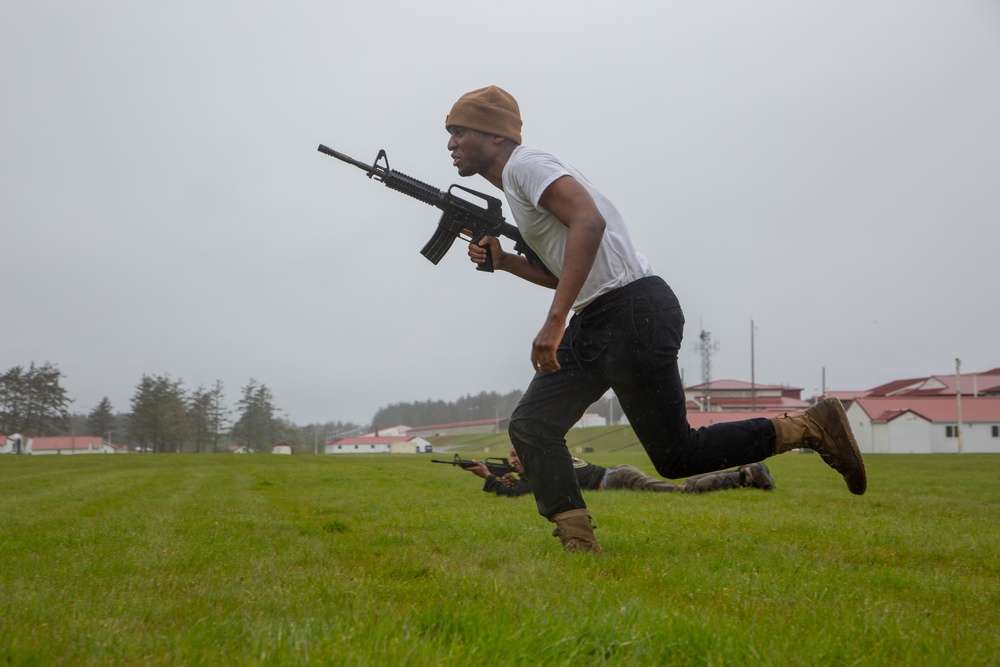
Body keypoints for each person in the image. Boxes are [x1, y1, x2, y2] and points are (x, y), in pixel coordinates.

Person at [445, 85, 866, 553]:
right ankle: (579, 545)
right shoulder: (519, 185)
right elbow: (567, 270)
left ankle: (810, 427)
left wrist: (555, 320)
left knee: (676, 455)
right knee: (532, 424)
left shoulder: (527, 165)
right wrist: (505, 262)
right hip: (599, 315)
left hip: (630, 311)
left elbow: (589, 221)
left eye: (458, 132)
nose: (450, 144)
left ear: (494, 135)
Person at [465, 448, 775, 497]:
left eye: (517, 455)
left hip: (619, 479)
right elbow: (527, 486)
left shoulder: (541, 467)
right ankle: (744, 474)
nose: (514, 460)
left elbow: (519, 493)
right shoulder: (548, 458)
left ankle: (745, 476)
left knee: (682, 492)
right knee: (679, 489)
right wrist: (510, 478)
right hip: (617, 475)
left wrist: (489, 479)